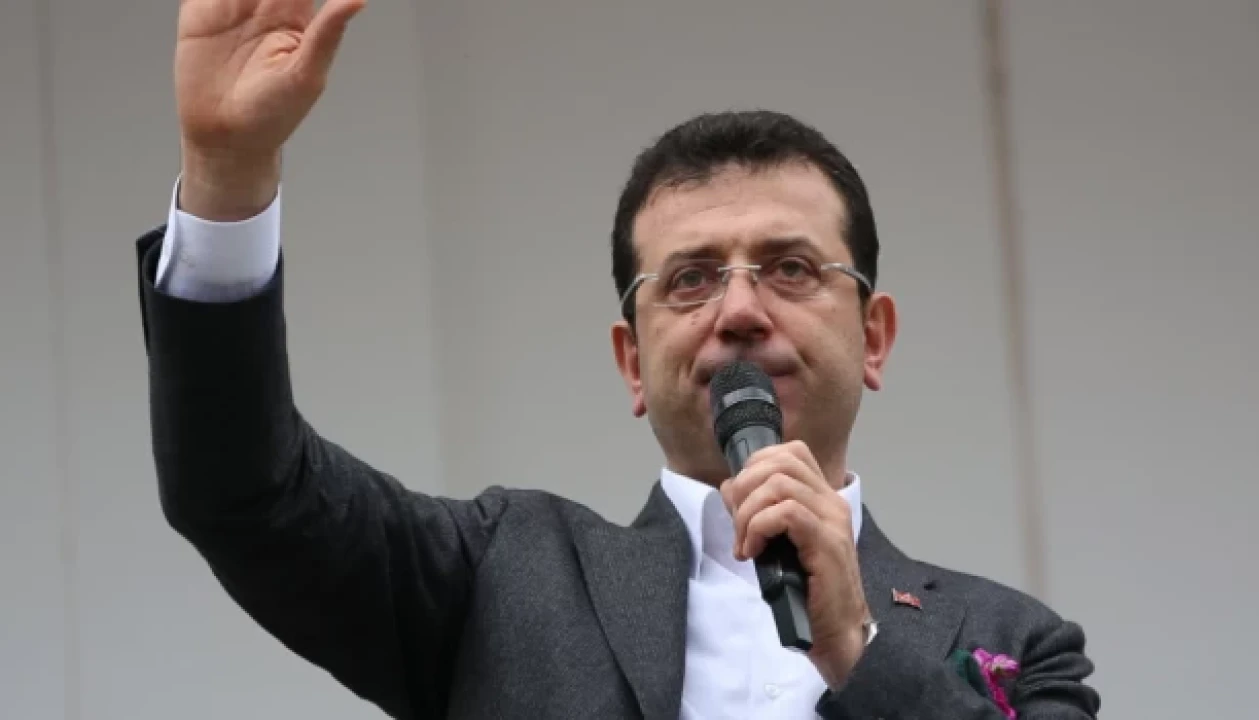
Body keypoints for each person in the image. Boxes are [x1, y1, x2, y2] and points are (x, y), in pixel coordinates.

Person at [136, 1, 1100, 718]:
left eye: (790, 268)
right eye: (690, 279)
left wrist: (856, 646)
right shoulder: (503, 576)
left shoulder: (1015, 642)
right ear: (632, 363)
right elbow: (246, 494)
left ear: (874, 335)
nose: (739, 311)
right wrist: (227, 170)